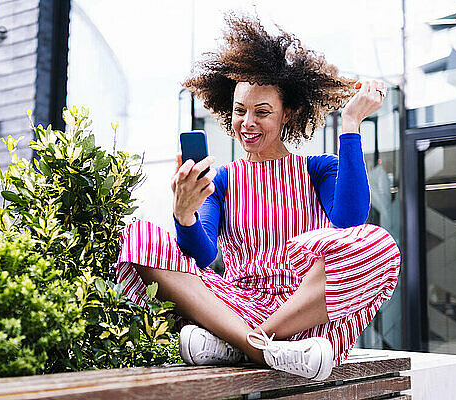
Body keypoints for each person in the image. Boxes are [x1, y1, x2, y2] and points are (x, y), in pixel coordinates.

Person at [115, 13, 400, 381]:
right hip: (238, 304)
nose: (247, 122)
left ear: (288, 114)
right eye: (239, 111)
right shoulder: (221, 179)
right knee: (137, 237)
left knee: (381, 244)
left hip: (308, 312)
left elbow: (349, 221)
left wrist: (350, 126)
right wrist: (184, 215)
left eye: (262, 112)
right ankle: (258, 346)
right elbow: (204, 255)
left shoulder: (318, 169)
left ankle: (241, 344)